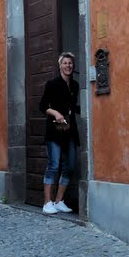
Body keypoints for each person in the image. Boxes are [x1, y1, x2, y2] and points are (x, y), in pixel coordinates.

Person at [39, 52, 80, 215]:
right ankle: (47, 202)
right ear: (60, 66)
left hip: (69, 130)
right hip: (54, 131)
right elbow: (42, 106)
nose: (68, 66)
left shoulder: (75, 86)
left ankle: (59, 201)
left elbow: (73, 106)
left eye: (70, 63)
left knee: (69, 166)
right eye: (65, 63)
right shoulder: (52, 84)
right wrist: (55, 113)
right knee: (54, 165)